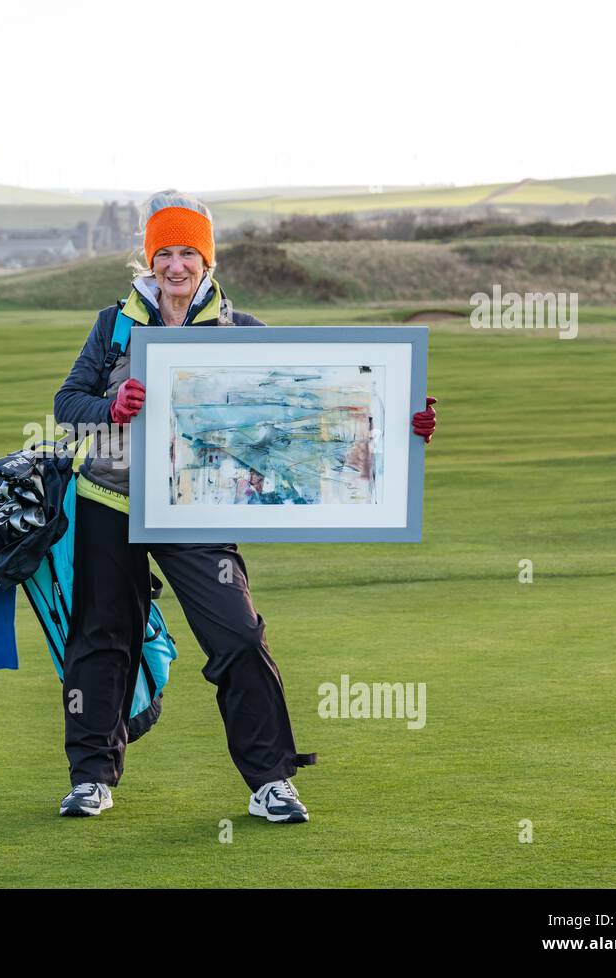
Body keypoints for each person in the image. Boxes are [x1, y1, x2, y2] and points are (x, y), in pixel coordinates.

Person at [51, 189, 438, 821]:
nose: (176, 266)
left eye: (189, 253)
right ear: (150, 260)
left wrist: (400, 426)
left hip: (196, 509)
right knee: (102, 637)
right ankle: (91, 777)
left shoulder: (240, 330)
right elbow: (68, 404)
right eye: (165, 253)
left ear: (207, 260)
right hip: (109, 500)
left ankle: (270, 783)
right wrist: (109, 409)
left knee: (237, 635)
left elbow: (312, 408)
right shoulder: (113, 324)